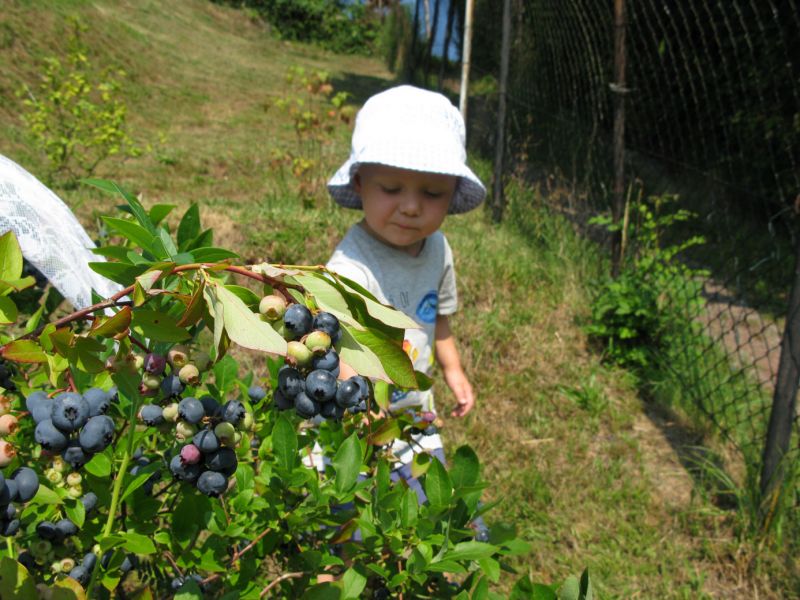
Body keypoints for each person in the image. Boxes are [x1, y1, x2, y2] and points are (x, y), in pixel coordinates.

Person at [325, 85, 487, 514]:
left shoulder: (438, 250)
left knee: (423, 514)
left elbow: (441, 316)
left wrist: (452, 369)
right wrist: (360, 407)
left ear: (452, 195)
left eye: (432, 193)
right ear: (360, 184)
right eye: (392, 188)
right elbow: (343, 347)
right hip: (359, 416)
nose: (412, 207)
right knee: (349, 518)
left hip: (415, 414)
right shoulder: (350, 268)